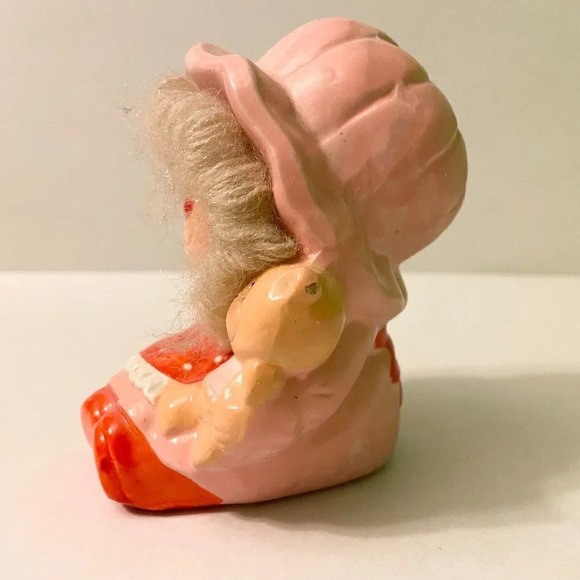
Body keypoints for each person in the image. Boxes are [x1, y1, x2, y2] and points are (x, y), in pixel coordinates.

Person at [81, 17, 467, 510]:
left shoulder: (308, 335)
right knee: (123, 398)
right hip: (231, 378)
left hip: (262, 420)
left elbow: (256, 425)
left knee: (122, 433)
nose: (189, 209)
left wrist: (198, 430)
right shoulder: (265, 309)